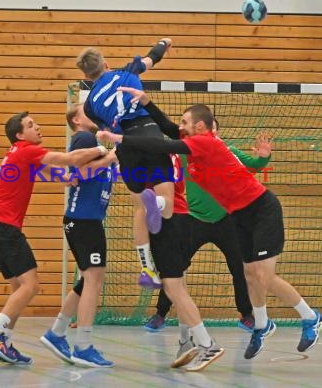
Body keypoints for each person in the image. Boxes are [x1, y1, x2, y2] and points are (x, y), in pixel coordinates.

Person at [97, 89, 322, 360]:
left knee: (265, 276)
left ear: (201, 126)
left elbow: (164, 144)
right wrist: (147, 102)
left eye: (184, 122)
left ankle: (311, 317)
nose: (179, 127)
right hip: (239, 215)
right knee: (250, 274)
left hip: (261, 209)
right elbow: (168, 129)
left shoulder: (207, 142)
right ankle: (263, 326)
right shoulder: (195, 142)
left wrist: (120, 138)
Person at [0, 111, 110, 365]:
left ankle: (3, 340)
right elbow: (70, 159)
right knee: (31, 286)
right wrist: (105, 151)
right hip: (4, 228)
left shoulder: (19, 155)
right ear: (19, 135)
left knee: (19, 287)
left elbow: (58, 174)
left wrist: (70, 180)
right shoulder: (26, 150)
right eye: (30, 125)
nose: (37, 127)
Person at [144, 121, 272, 333]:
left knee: (240, 268)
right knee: (175, 266)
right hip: (195, 219)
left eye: (212, 128)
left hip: (227, 219)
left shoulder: (228, 152)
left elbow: (254, 165)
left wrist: (263, 156)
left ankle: (246, 315)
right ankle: (160, 314)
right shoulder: (186, 154)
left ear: (217, 132)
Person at [76, 39, 174, 289]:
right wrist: (165, 42)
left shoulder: (89, 105)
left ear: (86, 75)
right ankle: (158, 201)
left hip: (125, 144)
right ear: (106, 64)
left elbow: (108, 127)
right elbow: (154, 56)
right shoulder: (128, 71)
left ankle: (146, 269)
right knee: (167, 207)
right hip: (149, 133)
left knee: (140, 208)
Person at [40, 104, 117, 368]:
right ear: (76, 119)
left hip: (87, 220)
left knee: (87, 280)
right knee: (93, 280)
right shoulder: (84, 138)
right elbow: (78, 174)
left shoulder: (93, 140)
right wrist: (109, 158)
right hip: (84, 221)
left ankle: (57, 332)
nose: (92, 114)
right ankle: (83, 346)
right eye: (86, 111)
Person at [146, 152, 225, 372]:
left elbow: (163, 200)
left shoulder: (150, 158)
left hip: (167, 222)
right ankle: (185, 341)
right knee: (179, 285)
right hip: (183, 220)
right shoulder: (169, 154)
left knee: (173, 287)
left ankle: (207, 344)